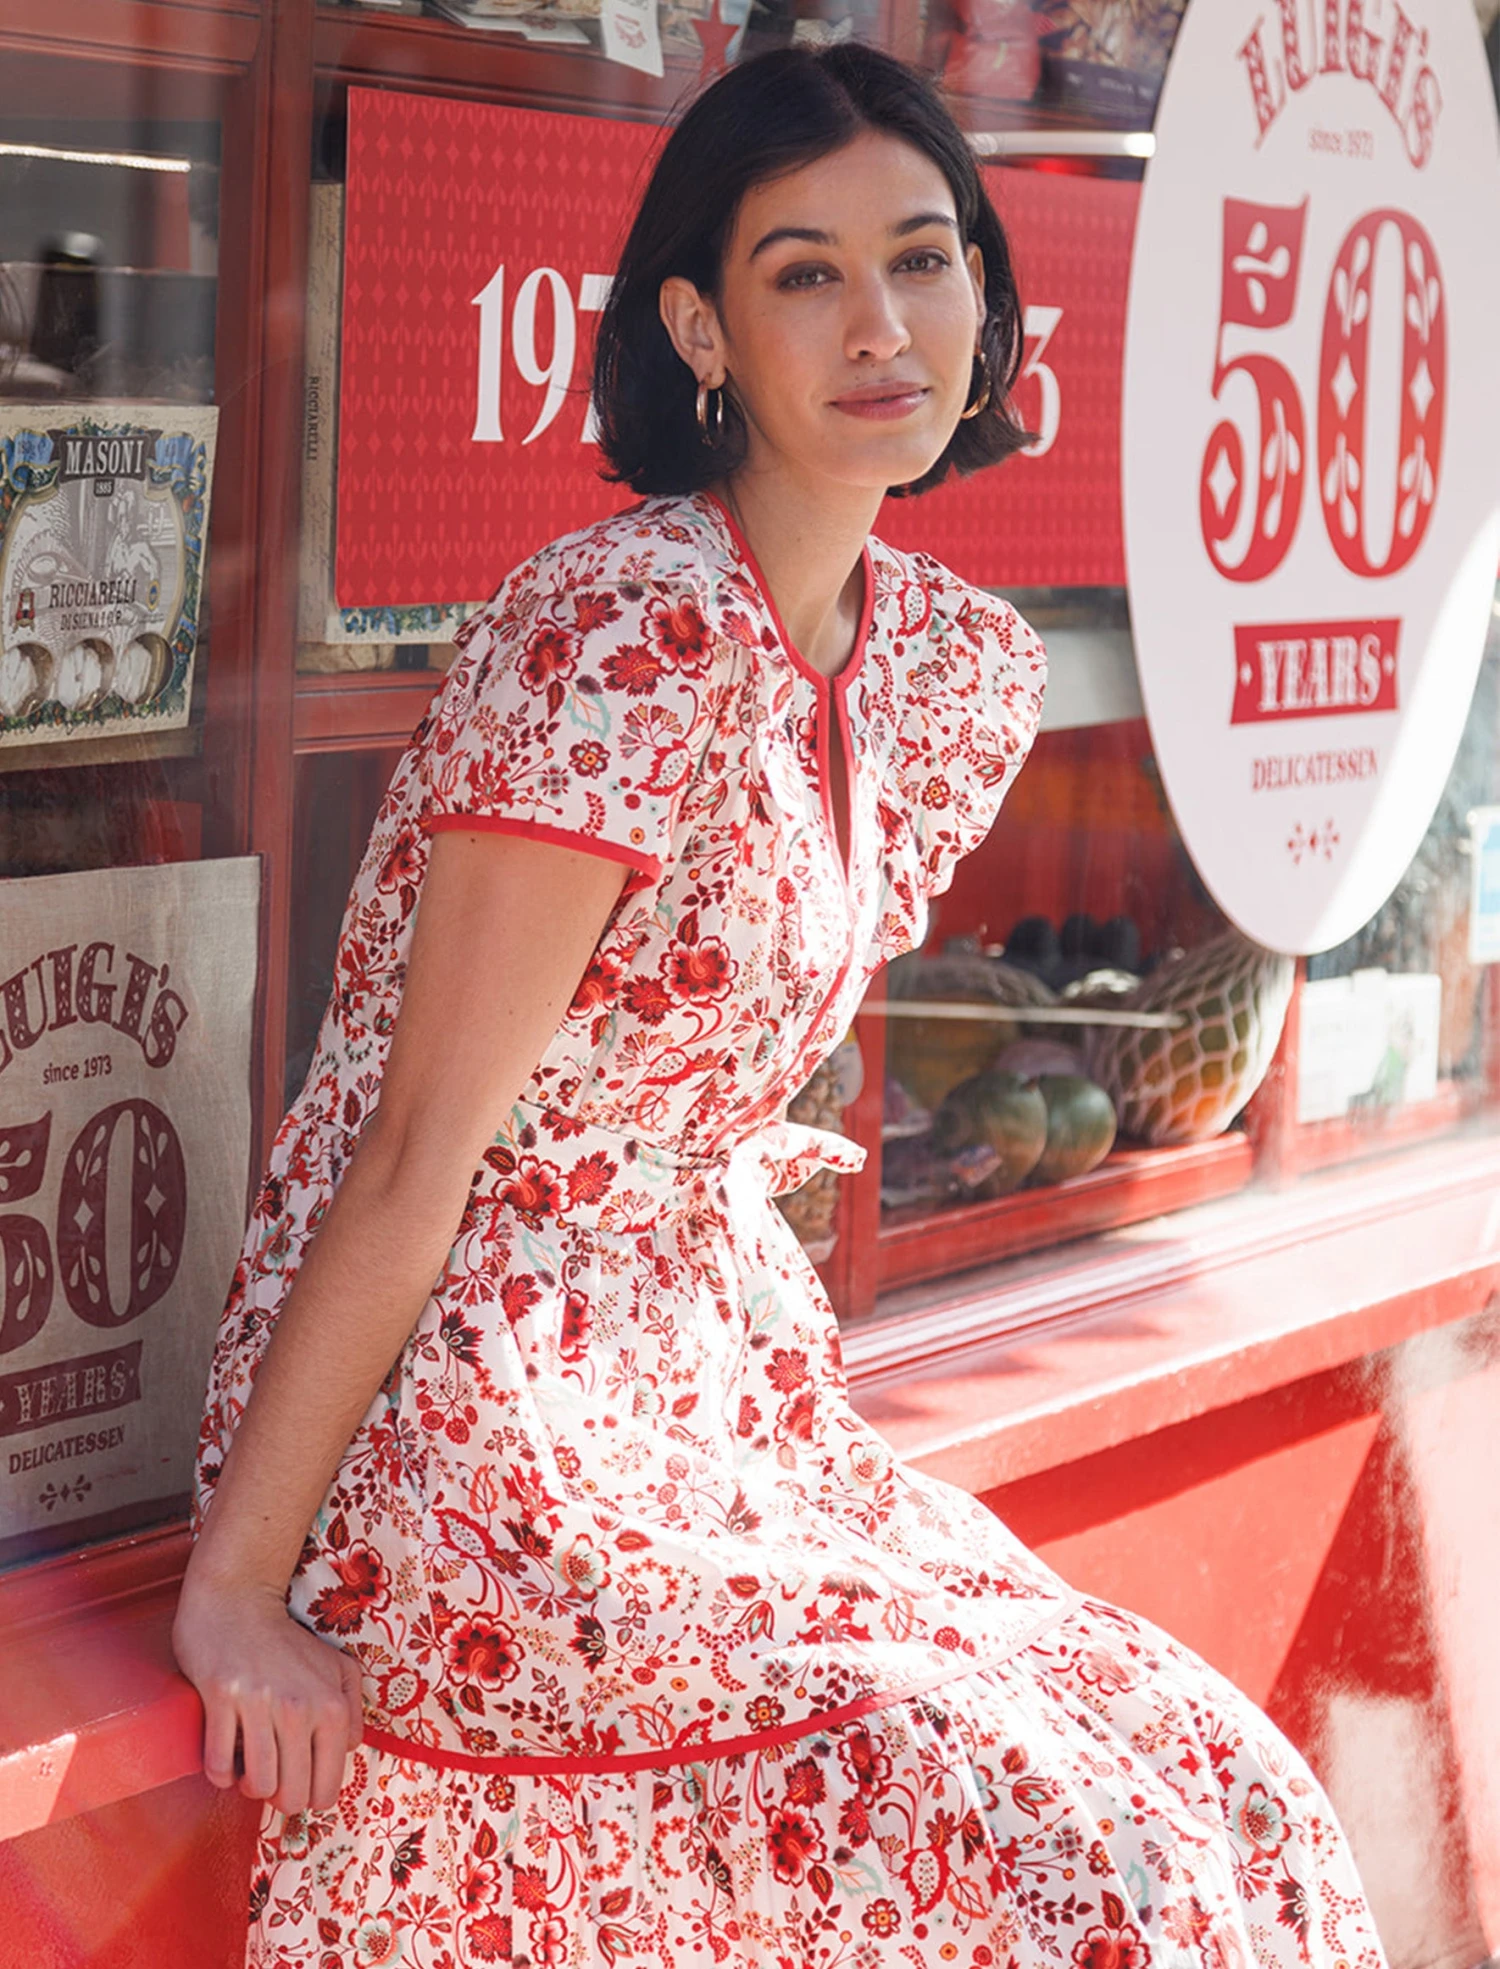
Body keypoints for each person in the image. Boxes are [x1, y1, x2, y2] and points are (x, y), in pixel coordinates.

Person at [174, 43, 1387, 1969]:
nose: (880, 321)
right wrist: (238, 1588)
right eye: (804, 272)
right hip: (476, 1410)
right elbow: (417, 1148)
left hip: (708, 1378)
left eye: (923, 258)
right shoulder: (619, 630)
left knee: (1222, 1784)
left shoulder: (942, 667)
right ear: (702, 327)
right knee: (1058, 1861)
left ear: (989, 300)